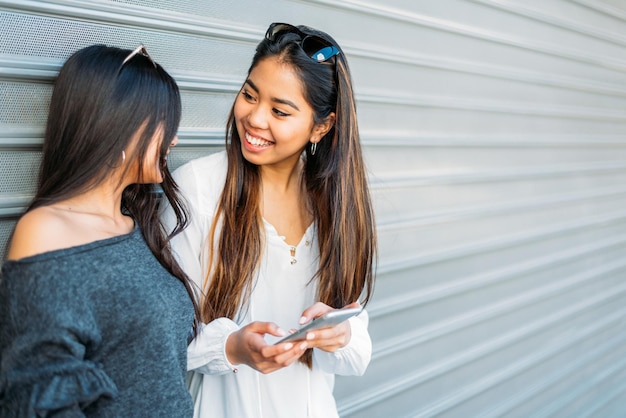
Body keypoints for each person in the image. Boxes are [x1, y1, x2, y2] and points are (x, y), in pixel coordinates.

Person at [161, 23, 377, 417]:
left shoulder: (335, 207)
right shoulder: (199, 189)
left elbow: (358, 354)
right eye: (249, 95)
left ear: (322, 126)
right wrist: (233, 348)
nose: (255, 118)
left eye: (279, 110)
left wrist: (339, 333)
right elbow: (163, 337)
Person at [0, 44, 200, 417]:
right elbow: (38, 397)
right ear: (118, 122)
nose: (173, 139)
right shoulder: (46, 231)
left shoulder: (135, 224)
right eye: (164, 123)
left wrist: (235, 347)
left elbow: (145, 357)